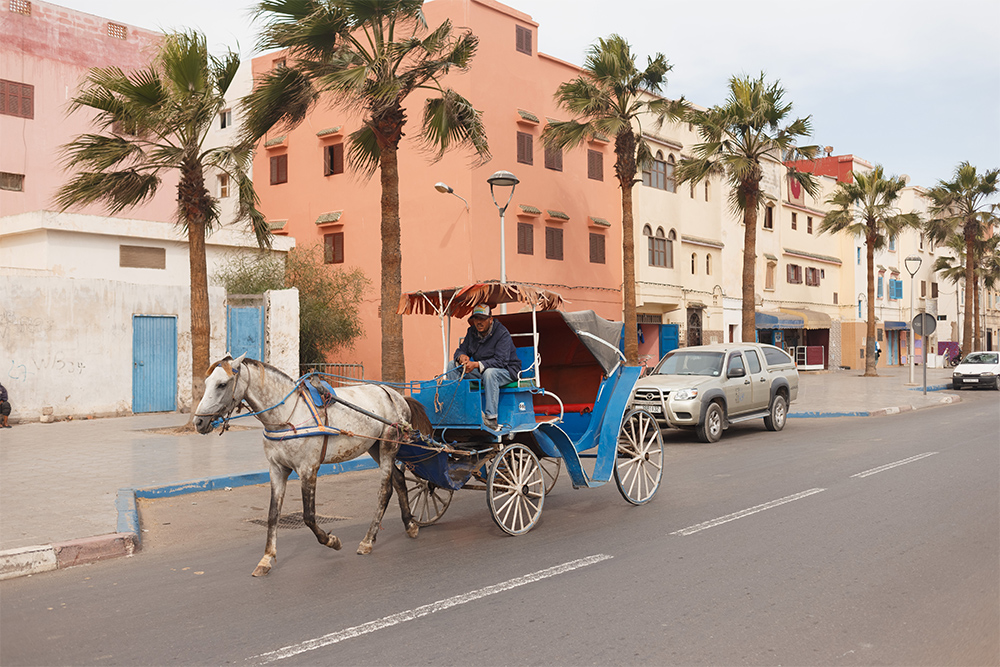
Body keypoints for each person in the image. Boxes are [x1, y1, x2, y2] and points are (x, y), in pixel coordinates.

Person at [451, 304, 521, 430]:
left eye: (482, 319)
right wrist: (462, 357)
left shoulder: (502, 333)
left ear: (490, 319)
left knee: (490, 373)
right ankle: (455, 411)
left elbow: (501, 361)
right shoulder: (471, 331)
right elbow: (460, 350)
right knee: (452, 366)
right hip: (482, 370)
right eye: (476, 319)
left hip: (507, 371)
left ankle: (491, 419)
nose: (479, 322)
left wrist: (476, 364)